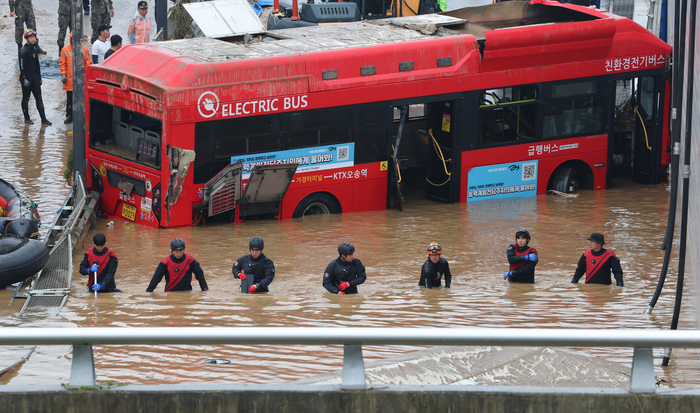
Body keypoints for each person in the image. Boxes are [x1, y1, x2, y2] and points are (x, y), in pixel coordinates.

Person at [19, 29, 51, 125]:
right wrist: (24, 79)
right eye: (31, 38)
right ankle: (27, 118)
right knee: (26, 98)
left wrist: (39, 78)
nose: (33, 39)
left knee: (39, 98)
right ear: (26, 39)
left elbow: (37, 65)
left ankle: (44, 119)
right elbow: (21, 66)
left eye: (34, 37)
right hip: (26, 78)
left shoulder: (35, 49)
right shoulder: (23, 51)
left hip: (35, 78)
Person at [60, 36, 92, 124]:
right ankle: (69, 115)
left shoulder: (85, 50)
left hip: (81, 80)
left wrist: (86, 77)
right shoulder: (65, 50)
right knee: (70, 99)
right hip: (69, 79)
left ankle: (80, 115)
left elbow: (87, 64)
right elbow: (63, 63)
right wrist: (63, 74)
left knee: (81, 99)